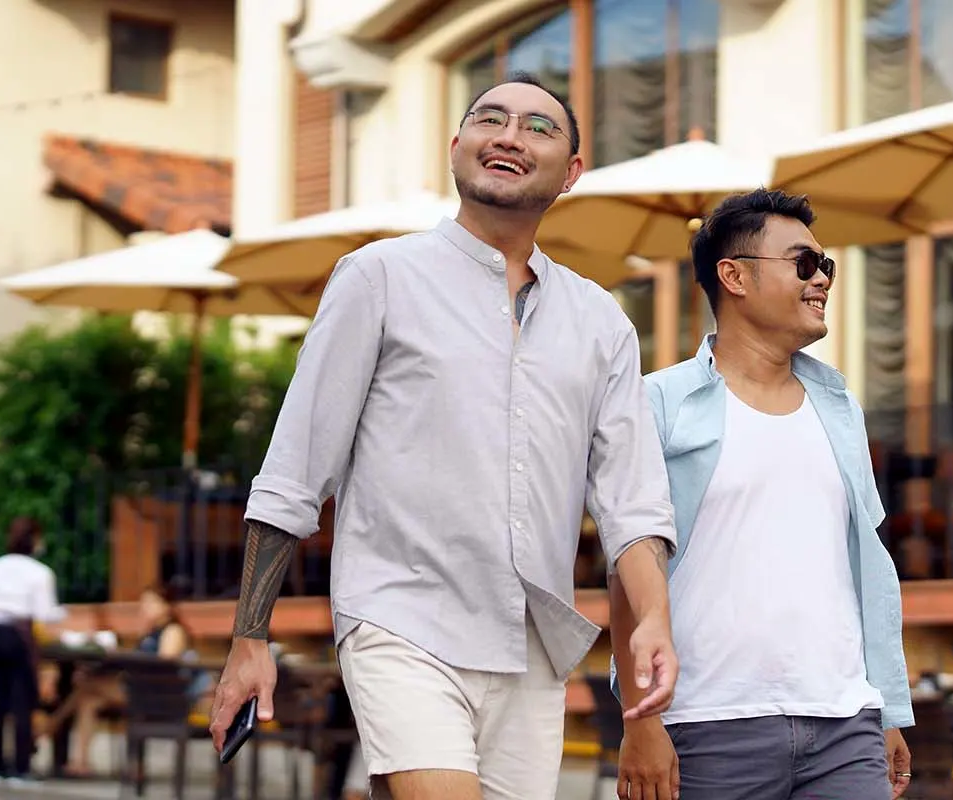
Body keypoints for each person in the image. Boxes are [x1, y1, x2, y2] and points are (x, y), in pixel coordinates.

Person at [207, 72, 683, 800]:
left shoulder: (602, 324)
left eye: (538, 127)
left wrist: (653, 619)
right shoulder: (378, 277)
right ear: (457, 145)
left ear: (572, 173)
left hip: (533, 649)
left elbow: (633, 509)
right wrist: (250, 637)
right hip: (402, 619)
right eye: (490, 119)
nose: (509, 136)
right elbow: (297, 469)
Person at [610, 189, 913, 800]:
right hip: (706, 725)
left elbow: (866, 568)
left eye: (826, 265)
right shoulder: (658, 404)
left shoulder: (840, 407)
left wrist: (886, 706)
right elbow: (629, 566)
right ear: (735, 276)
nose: (822, 279)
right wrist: (641, 720)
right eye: (804, 263)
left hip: (844, 723)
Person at [44, 582, 198, 778]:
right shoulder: (149, 633)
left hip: (160, 695)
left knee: (88, 686)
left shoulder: (173, 631)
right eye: (143, 604)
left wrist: (130, 662)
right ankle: (80, 762)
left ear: (166, 606)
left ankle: (50, 726)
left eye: (150, 603)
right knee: (88, 701)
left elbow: (165, 662)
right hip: (141, 690)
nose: (144, 609)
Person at [0, 517, 65, 785]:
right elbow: (45, 613)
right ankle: (21, 767)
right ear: (34, 540)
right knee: (23, 702)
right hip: (20, 638)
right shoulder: (40, 573)